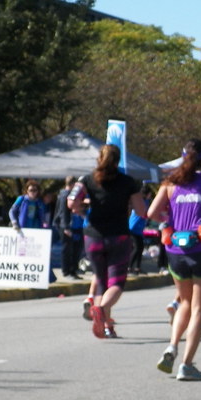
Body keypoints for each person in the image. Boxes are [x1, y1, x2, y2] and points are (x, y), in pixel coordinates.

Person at [148, 139, 201, 380]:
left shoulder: (169, 183)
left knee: (184, 302)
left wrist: (170, 219)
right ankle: (186, 364)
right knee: (198, 310)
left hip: (176, 251)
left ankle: (172, 346)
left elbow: (152, 213)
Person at [68, 145, 146, 340]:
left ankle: (106, 327)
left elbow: (71, 202)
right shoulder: (129, 182)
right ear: (118, 161)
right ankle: (101, 310)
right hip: (119, 237)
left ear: (99, 158)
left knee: (101, 282)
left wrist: (83, 207)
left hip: (93, 237)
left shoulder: (86, 179)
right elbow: (141, 211)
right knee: (116, 284)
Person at [55, 176, 82, 278]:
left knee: (75, 249)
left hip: (73, 225)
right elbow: (63, 212)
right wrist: (66, 227)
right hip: (65, 225)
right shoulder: (65, 195)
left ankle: (73, 270)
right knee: (67, 249)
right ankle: (66, 271)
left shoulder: (69, 195)